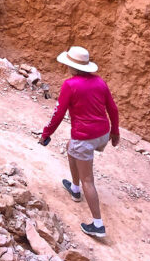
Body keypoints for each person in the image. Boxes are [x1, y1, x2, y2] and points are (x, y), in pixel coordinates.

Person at [39, 46, 120, 238]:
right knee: (70, 147)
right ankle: (75, 189)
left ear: (72, 67)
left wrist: (45, 134)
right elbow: (113, 109)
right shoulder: (100, 82)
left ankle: (98, 225)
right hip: (102, 134)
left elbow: (58, 113)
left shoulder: (70, 85)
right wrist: (115, 132)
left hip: (85, 137)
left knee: (88, 180)